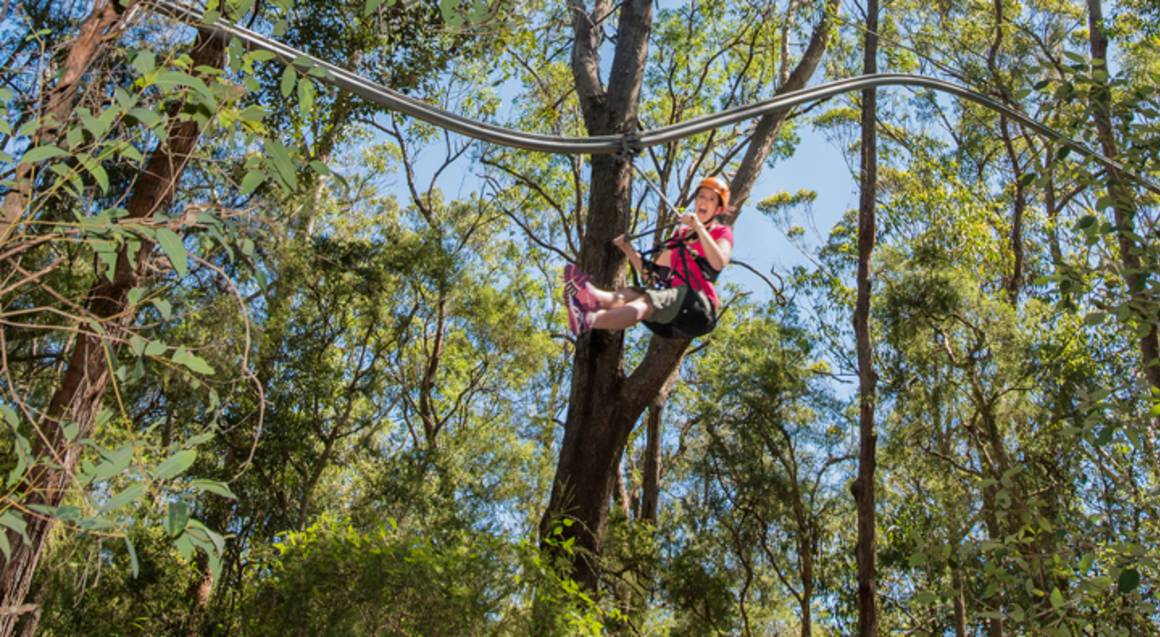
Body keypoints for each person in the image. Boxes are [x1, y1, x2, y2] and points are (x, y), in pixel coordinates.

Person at [563, 176, 734, 336]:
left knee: (647, 301)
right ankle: (589, 297)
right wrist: (627, 249)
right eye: (701, 197)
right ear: (696, 200)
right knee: (629, 294)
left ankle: (587, 320)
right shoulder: (681, 235)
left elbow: (719, 262)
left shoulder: (721, 232)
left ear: (718, 209)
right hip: (674, 306)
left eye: (711, 199)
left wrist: (698, 227)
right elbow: (652, 275)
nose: (704, 201)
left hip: (698, 306)